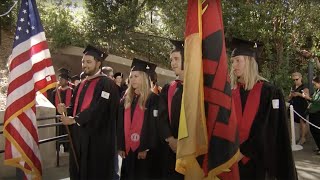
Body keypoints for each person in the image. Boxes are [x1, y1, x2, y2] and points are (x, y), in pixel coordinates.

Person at [230, 38, 297, 179]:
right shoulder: (231, 93)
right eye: (232, 61)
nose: (234, 65)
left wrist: (243, 152)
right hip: (232, 160)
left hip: (260, 162)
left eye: (238, 60)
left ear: (249, 62)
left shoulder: (269, 92)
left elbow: (268, 128)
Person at [57, 45, 120, 179]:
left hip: (97, 140)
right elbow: (75, 107)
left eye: (88, 62)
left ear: (98, 63)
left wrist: (74, 120)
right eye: (83, 62)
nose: (84, 65)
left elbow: (99, 109)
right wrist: (65, 110)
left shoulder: (107, 84)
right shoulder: (81, 84)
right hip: (79, 137)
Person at [117, 58, 162, 180]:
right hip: (128, 149)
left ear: (144, 78)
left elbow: (153, 127)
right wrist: (120, 145)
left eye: (136, 76)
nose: (132, 79)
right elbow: (120, 124)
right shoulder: (126, 98)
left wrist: (146, 147)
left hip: (144, 151)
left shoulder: (153, 99)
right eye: (131, 77)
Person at [157, 40, 184, 179]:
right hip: (170, 149)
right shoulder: (169, 88)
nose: (173, 63)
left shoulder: (200, 88)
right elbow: (162, 116)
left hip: (193, 151)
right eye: (171, 59)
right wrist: (170, 139)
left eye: (176, 59)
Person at [51, 68, 73, 152]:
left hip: (67, 117)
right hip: (57, 117)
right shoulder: (55, 92)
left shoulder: (72, 91)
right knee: (57, 133)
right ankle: (57, 148)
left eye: (62, 79)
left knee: (67, 134)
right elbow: (52, 104)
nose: (60, 80)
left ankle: (67, 148)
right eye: (59, 79)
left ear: (67, 80)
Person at [288, 72, 309, 145]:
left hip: (301, 105)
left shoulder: (304, 86)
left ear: (301, 78)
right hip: (294, 105)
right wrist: (291, 95)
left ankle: (303, 138)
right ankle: (295, 137)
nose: (295, 81)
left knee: (302, 122)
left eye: (297, 79)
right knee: (294, 122)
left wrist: (298, 94)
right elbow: (289, 97)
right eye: (293, 80)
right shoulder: (293, 86)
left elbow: (306, 96)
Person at [302, 75, 320, 155]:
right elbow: (313, 100)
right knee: (313, 131)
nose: (314, 85)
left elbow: (317, 101)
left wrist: (308, 98)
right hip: (313, 113)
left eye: (315, 84)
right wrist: (307, 98)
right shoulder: (317, 90)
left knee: (317, 131)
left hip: (318, 114)